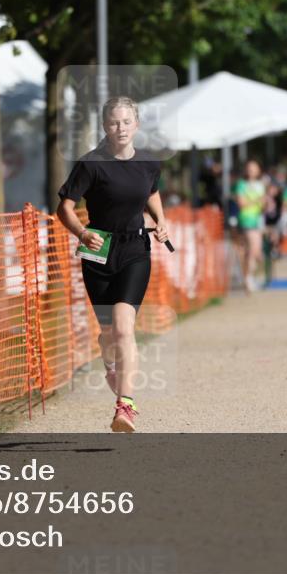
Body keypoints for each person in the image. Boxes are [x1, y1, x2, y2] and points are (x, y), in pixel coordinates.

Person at [56, 96, 170, 433]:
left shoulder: (149, 161)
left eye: (125, 122)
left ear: (136, 124)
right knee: (108, 332)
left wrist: (161, 220)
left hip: (135, 247)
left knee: (123, 326)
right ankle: (108, 362)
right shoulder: (91, 164)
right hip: (98, 249)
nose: (119, 128)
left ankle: (126, 406)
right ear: (105, 126)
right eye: (113, 123)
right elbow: (63, 208)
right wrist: (80, 232)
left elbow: (150, 191)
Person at [234, 160, 267, 293]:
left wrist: (265, 204)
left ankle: (249, 275)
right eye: (249, 168)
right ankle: (247, 278)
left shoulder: (261, 185)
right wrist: (257, 200)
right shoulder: (241, 185)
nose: (251, 171)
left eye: (254, 168)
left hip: (258, 220)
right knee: (252, 248)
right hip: (246, 220)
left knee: (256, 252)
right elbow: (241, 203)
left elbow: (263, 205)